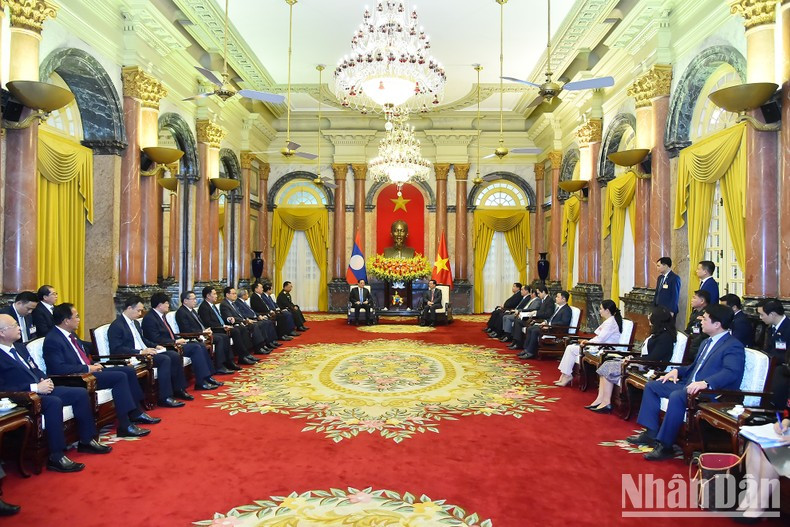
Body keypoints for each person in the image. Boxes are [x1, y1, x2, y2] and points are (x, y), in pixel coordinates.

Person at [627, 304, 745, 461]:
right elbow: (696, 366)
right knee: (653, 386)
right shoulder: (706, 342)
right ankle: (651, 433)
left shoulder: (733, 345)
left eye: (705, 318)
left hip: (710, 393)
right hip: (689, 385)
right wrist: (677, 371)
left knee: (677, 395)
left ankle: (665, 445)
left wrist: (707, 383)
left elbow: (731, 372)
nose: (700, 320)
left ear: (717, 324)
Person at [0, 314, 112, 473]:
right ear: (2, 333)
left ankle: (87, 440)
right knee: (54, 402)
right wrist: (35, 387)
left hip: (41, 388)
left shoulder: (19, 347)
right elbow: (3, 385)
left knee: (80, 393)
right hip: (20, 397)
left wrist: (45, 380)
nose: (19, 327)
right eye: (14, 326)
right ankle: (56, 456)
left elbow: (35, 368)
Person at [43, 303, 156, 438]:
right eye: (76, 316)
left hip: (88, 371)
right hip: (76, 378)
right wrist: (87, 368)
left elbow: (82, 354)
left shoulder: (70, 334)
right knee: (119, 377)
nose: (79, 319)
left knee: (128, 371)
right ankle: (125, 425)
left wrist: (93, 363)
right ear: (66, 321)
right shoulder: (53, 339)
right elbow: (58, 368)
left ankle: (136, 411)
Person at [589, 306, 676, 413]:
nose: (648, 317)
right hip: (642, 362)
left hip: (650, 367)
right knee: (607, 364)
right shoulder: (658, 333)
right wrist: (634, 358)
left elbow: (654, 358)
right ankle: (600, 400)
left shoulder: (665, 337)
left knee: (608, 366)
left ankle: (606, 403)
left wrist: (634, 359)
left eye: (651, 315)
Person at [108, 296, 188, 408]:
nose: (140, 314)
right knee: (165, 359)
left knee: (173, 355)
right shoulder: (117, 326)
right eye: (138, 310)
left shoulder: (135, 323)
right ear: (130, 308)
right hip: (133, 356)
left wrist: (155, 346)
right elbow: (116, 349)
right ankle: (164, 397)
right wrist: (140, 351)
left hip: (144, 353)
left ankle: (178, 389)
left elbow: (142, 340)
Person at [141, 292, 221, 391]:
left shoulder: (161, 315)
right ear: (159, 305)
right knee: (196, 348)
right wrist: (174, 341)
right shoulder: (150, 318)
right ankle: (200, 382)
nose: (168, 305)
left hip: (173, 343)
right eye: (166, 303)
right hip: (167, 346)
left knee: (199, 346)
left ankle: (207, 377)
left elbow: (169, 332)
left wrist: (176, 339)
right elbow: (155, 338)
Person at [555, 299, 623, 389]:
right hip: (599, 346)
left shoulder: (610, 323)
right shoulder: (609, 321)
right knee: (570, 347)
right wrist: (588, 342)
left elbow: (600, 339)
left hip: (605, 349)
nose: (600, 311)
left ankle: (566, 375)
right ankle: (564, 375)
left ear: (607, 310)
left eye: (601, 309)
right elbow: (599, 338)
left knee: (571, 348)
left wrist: (588, 342)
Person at [175, 291, 238, 373]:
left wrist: (206, 330)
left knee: (224, 336)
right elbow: (186, 329)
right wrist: (202, 332)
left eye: (195, 299)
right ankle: (219, 366)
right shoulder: (181, 312)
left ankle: (228, 362)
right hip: (194, 336)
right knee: (219, 338)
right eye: (193, 299)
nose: (195, 301)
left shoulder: (192, 310)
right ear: (185, 301)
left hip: (203, 333)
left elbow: (200, 323)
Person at [198, 287, 258, 366]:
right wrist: (223, 326)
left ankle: (245, 354)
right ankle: (240, 357)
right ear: (208, 296)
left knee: (241, 328)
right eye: (215, 294)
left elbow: (219, 318)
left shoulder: (212, 305)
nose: (217, 296)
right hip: (215, 329)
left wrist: (228, 319)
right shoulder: (204, 307)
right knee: (235, 331)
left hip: (221, 327)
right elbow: (208, 323)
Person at [220, 287, 275, 355]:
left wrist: (245, 319)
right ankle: (257, 348)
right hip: (236, 324)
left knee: (261, 323)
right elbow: (230, 317)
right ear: (227, 295)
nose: (235, 295)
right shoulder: (224, 304)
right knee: (255, 325)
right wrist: (244, 320)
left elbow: (240, 314)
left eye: (235, 293)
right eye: (233, 293)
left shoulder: (232, 303)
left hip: (243, 321)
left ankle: (262, 345)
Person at [518, 291, 572, 359]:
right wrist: (546, 322)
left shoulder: (567, 310)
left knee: (535, 331)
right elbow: (552, 318)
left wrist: (550, 325)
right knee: (530, 328)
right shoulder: (559, 307)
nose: (556, 298)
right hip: (550, 327)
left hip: (556, 330)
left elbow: (564, 323)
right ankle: (526, 349)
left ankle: (531, 352)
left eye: (558, 297)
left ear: (563, 299)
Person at [756, 298, 789, 410]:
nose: (760, 318)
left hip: (783, 369)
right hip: (772, 364)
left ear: (773, 314)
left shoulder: (788, 328)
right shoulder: (771, 328)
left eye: (762, 315)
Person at [508, 285, 554, 350]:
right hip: (537, 319)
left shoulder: (549, 301)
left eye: (538, 293)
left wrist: (536, 313)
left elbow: (548, 314)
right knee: (517, 321)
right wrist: (535, 312)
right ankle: (516, 341)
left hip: (541, 321)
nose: (538, 295)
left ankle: (520, 345)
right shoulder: (544, 300)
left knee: (521, 323)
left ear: (543, 292)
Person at [685, 289, 710, 359]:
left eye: (694, 298)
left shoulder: (707, 314)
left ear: (702, 301)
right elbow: (689, 329)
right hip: (692, 343)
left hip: (698, 347)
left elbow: (703, 336)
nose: (692, 300)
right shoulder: (695, 312)